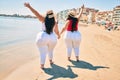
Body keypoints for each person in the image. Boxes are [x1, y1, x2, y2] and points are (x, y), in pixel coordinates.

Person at [24, 2, 60, 69]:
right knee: (51, 50)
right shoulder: (55, 22)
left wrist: (29, 6)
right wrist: (59, 35)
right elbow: (56, 31)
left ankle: (42, 65)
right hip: (52, 37)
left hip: (43, 36)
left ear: (47, 14)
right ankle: (51, 61)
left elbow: (36, 13)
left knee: (42, 52)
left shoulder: (43, 19)